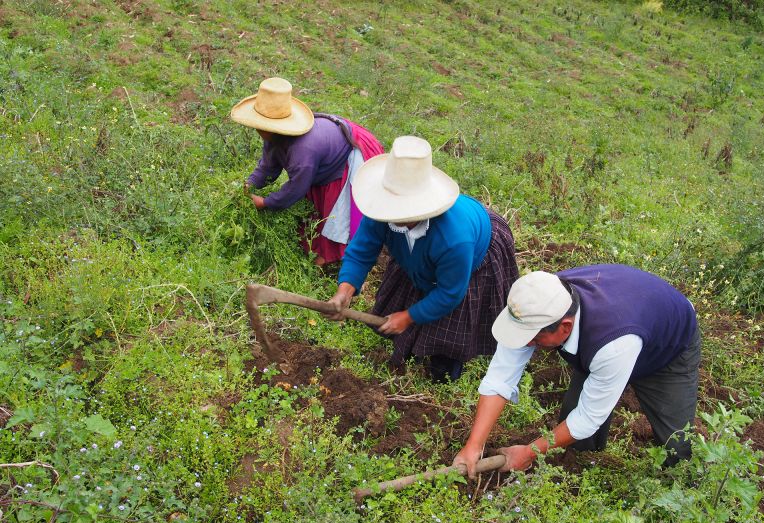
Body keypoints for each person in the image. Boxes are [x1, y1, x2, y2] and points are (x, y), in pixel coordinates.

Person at [453, 265, 701, 475]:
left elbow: (587, 418)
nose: (526, 344)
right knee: (575, 440)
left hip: (667, 348)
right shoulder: (538, 303)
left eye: (533, 339)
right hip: (618, 332)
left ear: (565, 327)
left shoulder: (610, 344)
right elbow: (500, 377)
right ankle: (585, 468)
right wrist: (474, 444)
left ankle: (680, 495)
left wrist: (529, 453)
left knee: (677, 445)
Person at [326, 135, 519, 382]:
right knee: (414, 288)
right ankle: (412, 341)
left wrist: (408, 317)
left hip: (479, 246)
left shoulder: (455, 239)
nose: (389, 212)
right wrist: (345, 290)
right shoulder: (382, 211)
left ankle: (447, 362)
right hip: (425, 251)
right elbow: (362, 250)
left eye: (398, 208)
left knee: (451, 322)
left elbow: (450, 293)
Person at [230, 77, 384, 265]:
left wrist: (265, 202)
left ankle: (331, 264)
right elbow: (268, 167)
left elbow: (297, 187)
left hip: (345, 158)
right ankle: (314, 252)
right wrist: (249, 184)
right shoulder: (274, 138)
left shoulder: (302, 149)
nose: (256, 128)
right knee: (311, 217)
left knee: (334, 221)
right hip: (321, 158)